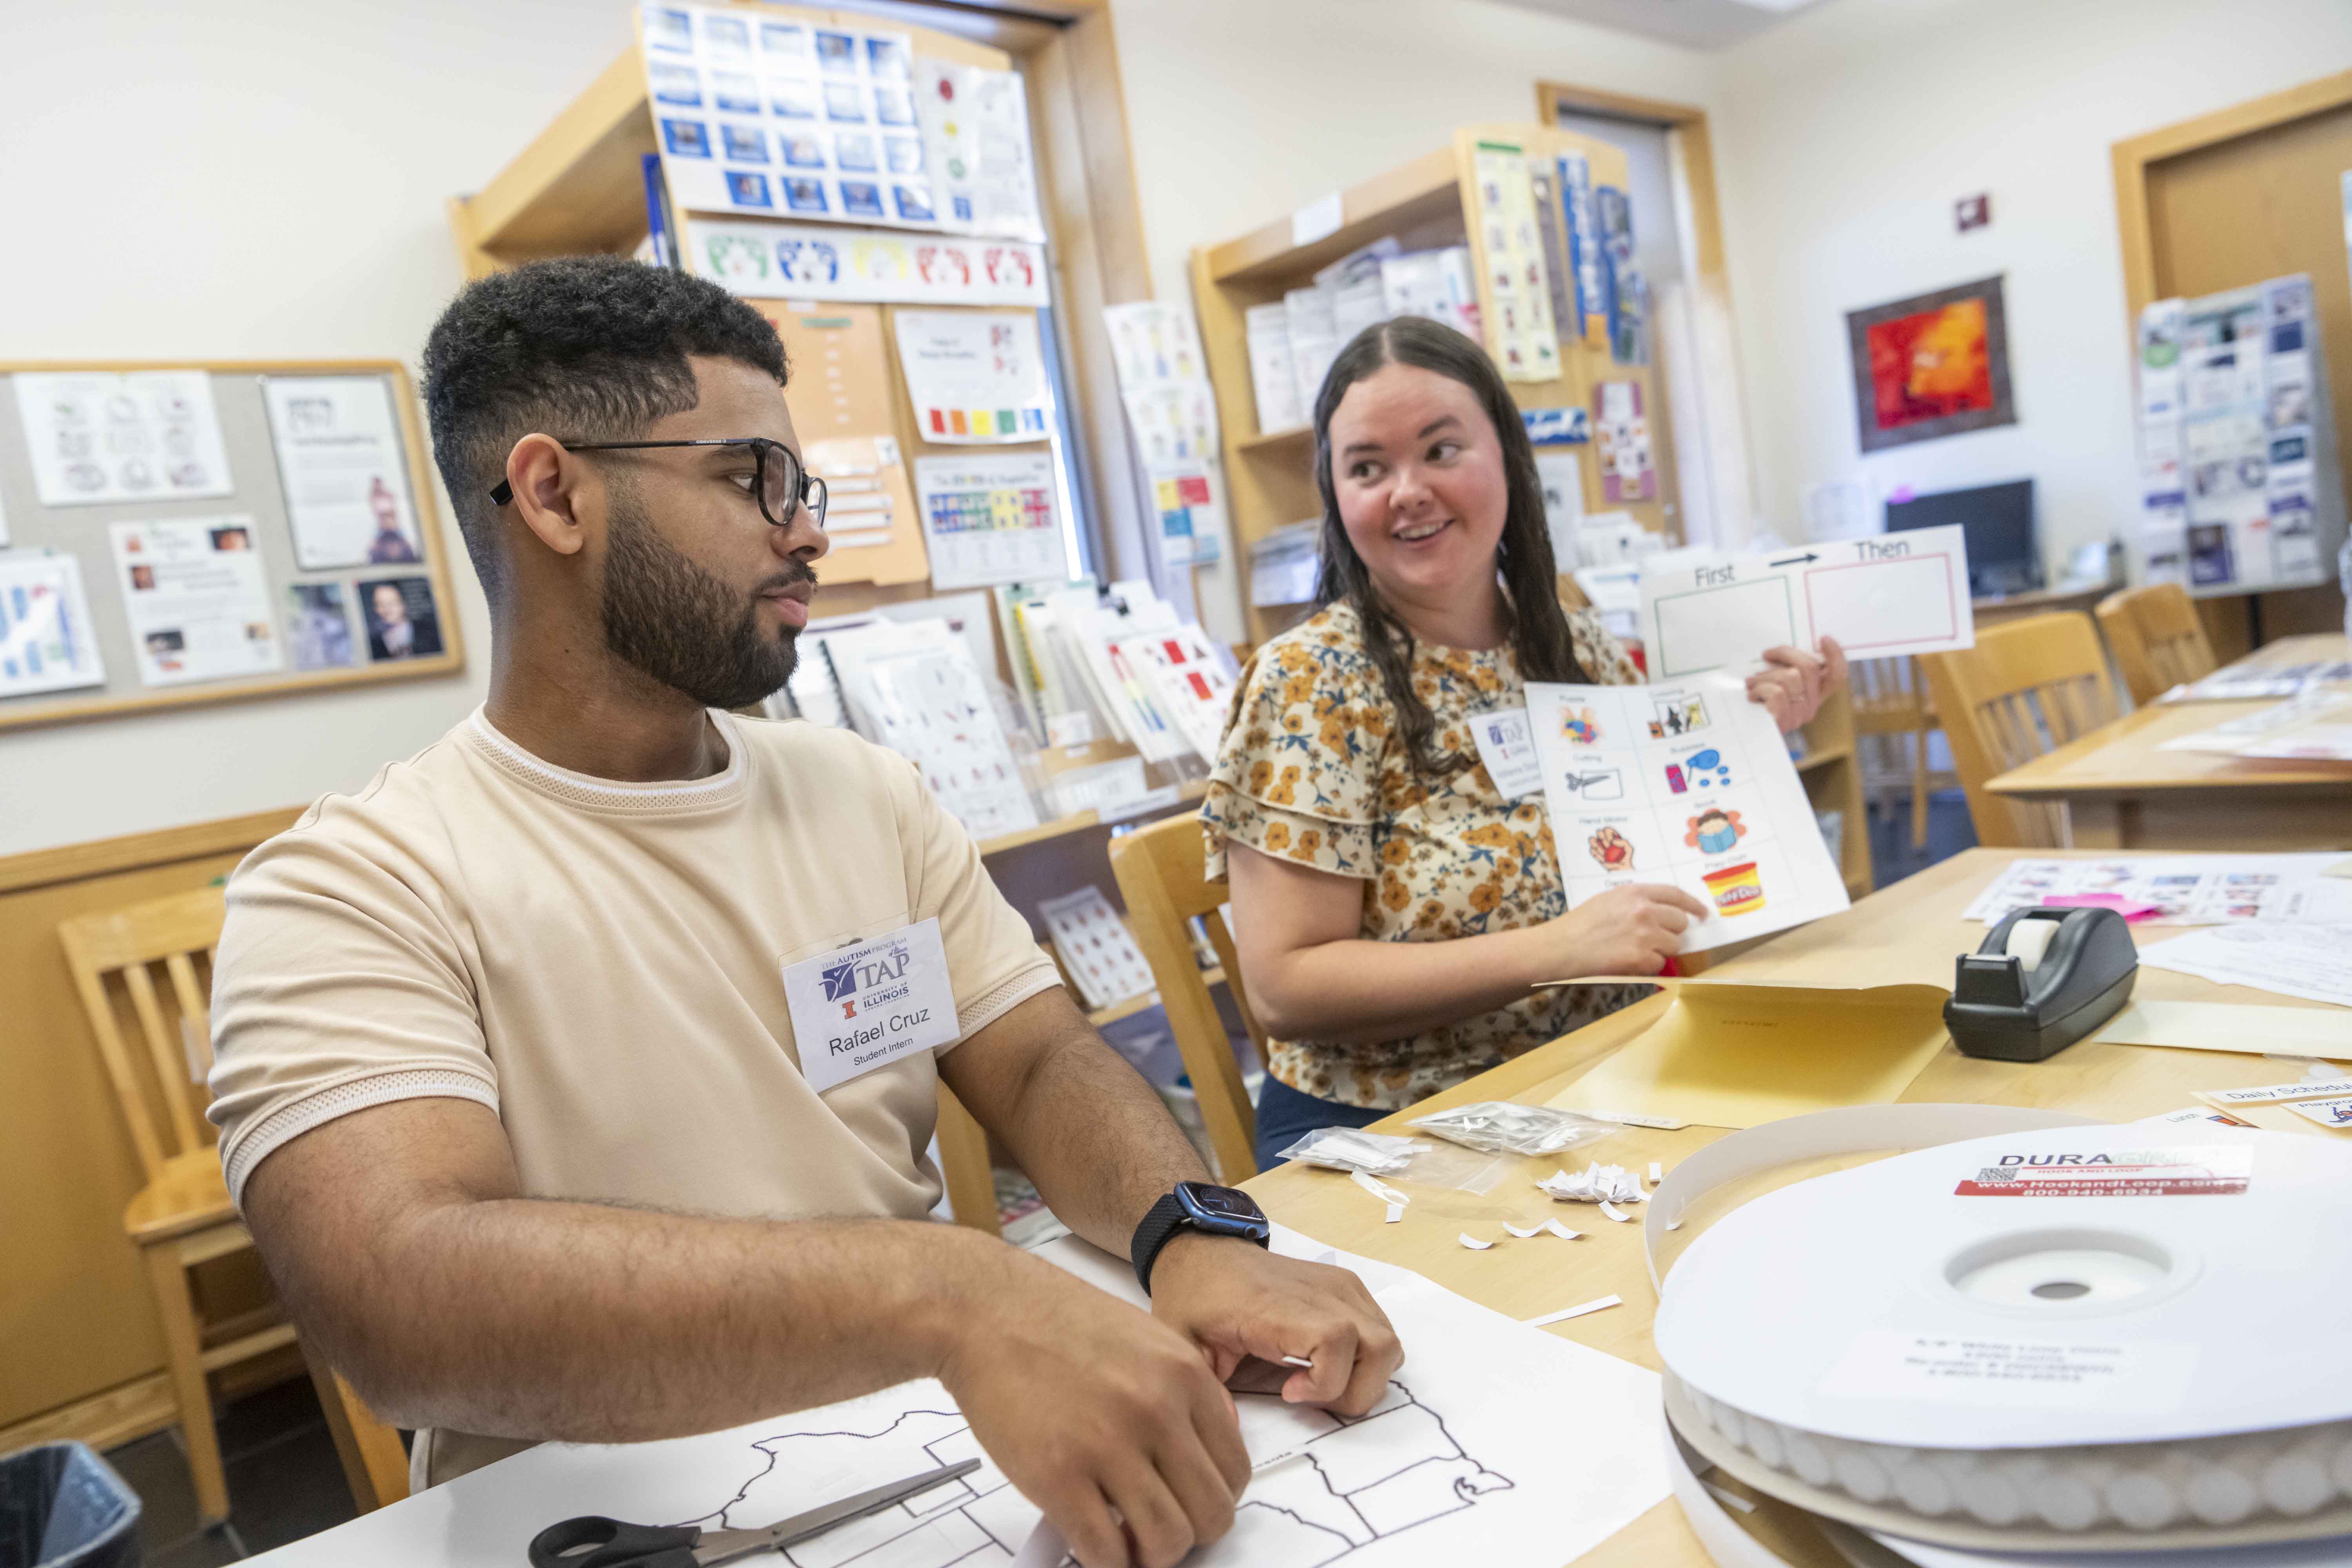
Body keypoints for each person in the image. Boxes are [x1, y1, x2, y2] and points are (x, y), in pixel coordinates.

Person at [207, 256, 1396, 1568]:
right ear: (553, 494)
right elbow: (399, 1300)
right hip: (606, 1522)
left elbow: (1041, 1058)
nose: (809, 529)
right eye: (748, 478)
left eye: (801, 484)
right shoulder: (352, 882)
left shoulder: (861, 791)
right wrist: (954, 1290)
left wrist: (1188, 1230)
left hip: (944, 1456)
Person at [1204, 316, 1846, 1169]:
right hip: (1398, 1123)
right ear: (1336, 495)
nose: (1407, 489)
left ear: (1506, 455)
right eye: (1368, 467)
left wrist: (1749, 738)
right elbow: (1286, 985)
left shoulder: (1578, 646)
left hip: (1608, 1072)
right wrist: (1558, 950)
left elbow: (1679, 863)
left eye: (1440, 450)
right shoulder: (1310, 680)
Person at [365, 476, 422, 564]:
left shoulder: (387, 495)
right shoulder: (373, 496)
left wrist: (391, 519)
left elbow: (393, 509)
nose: (378, 486)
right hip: (384, 522)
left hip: (391, 521)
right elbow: (375, 510)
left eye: (378, 484)